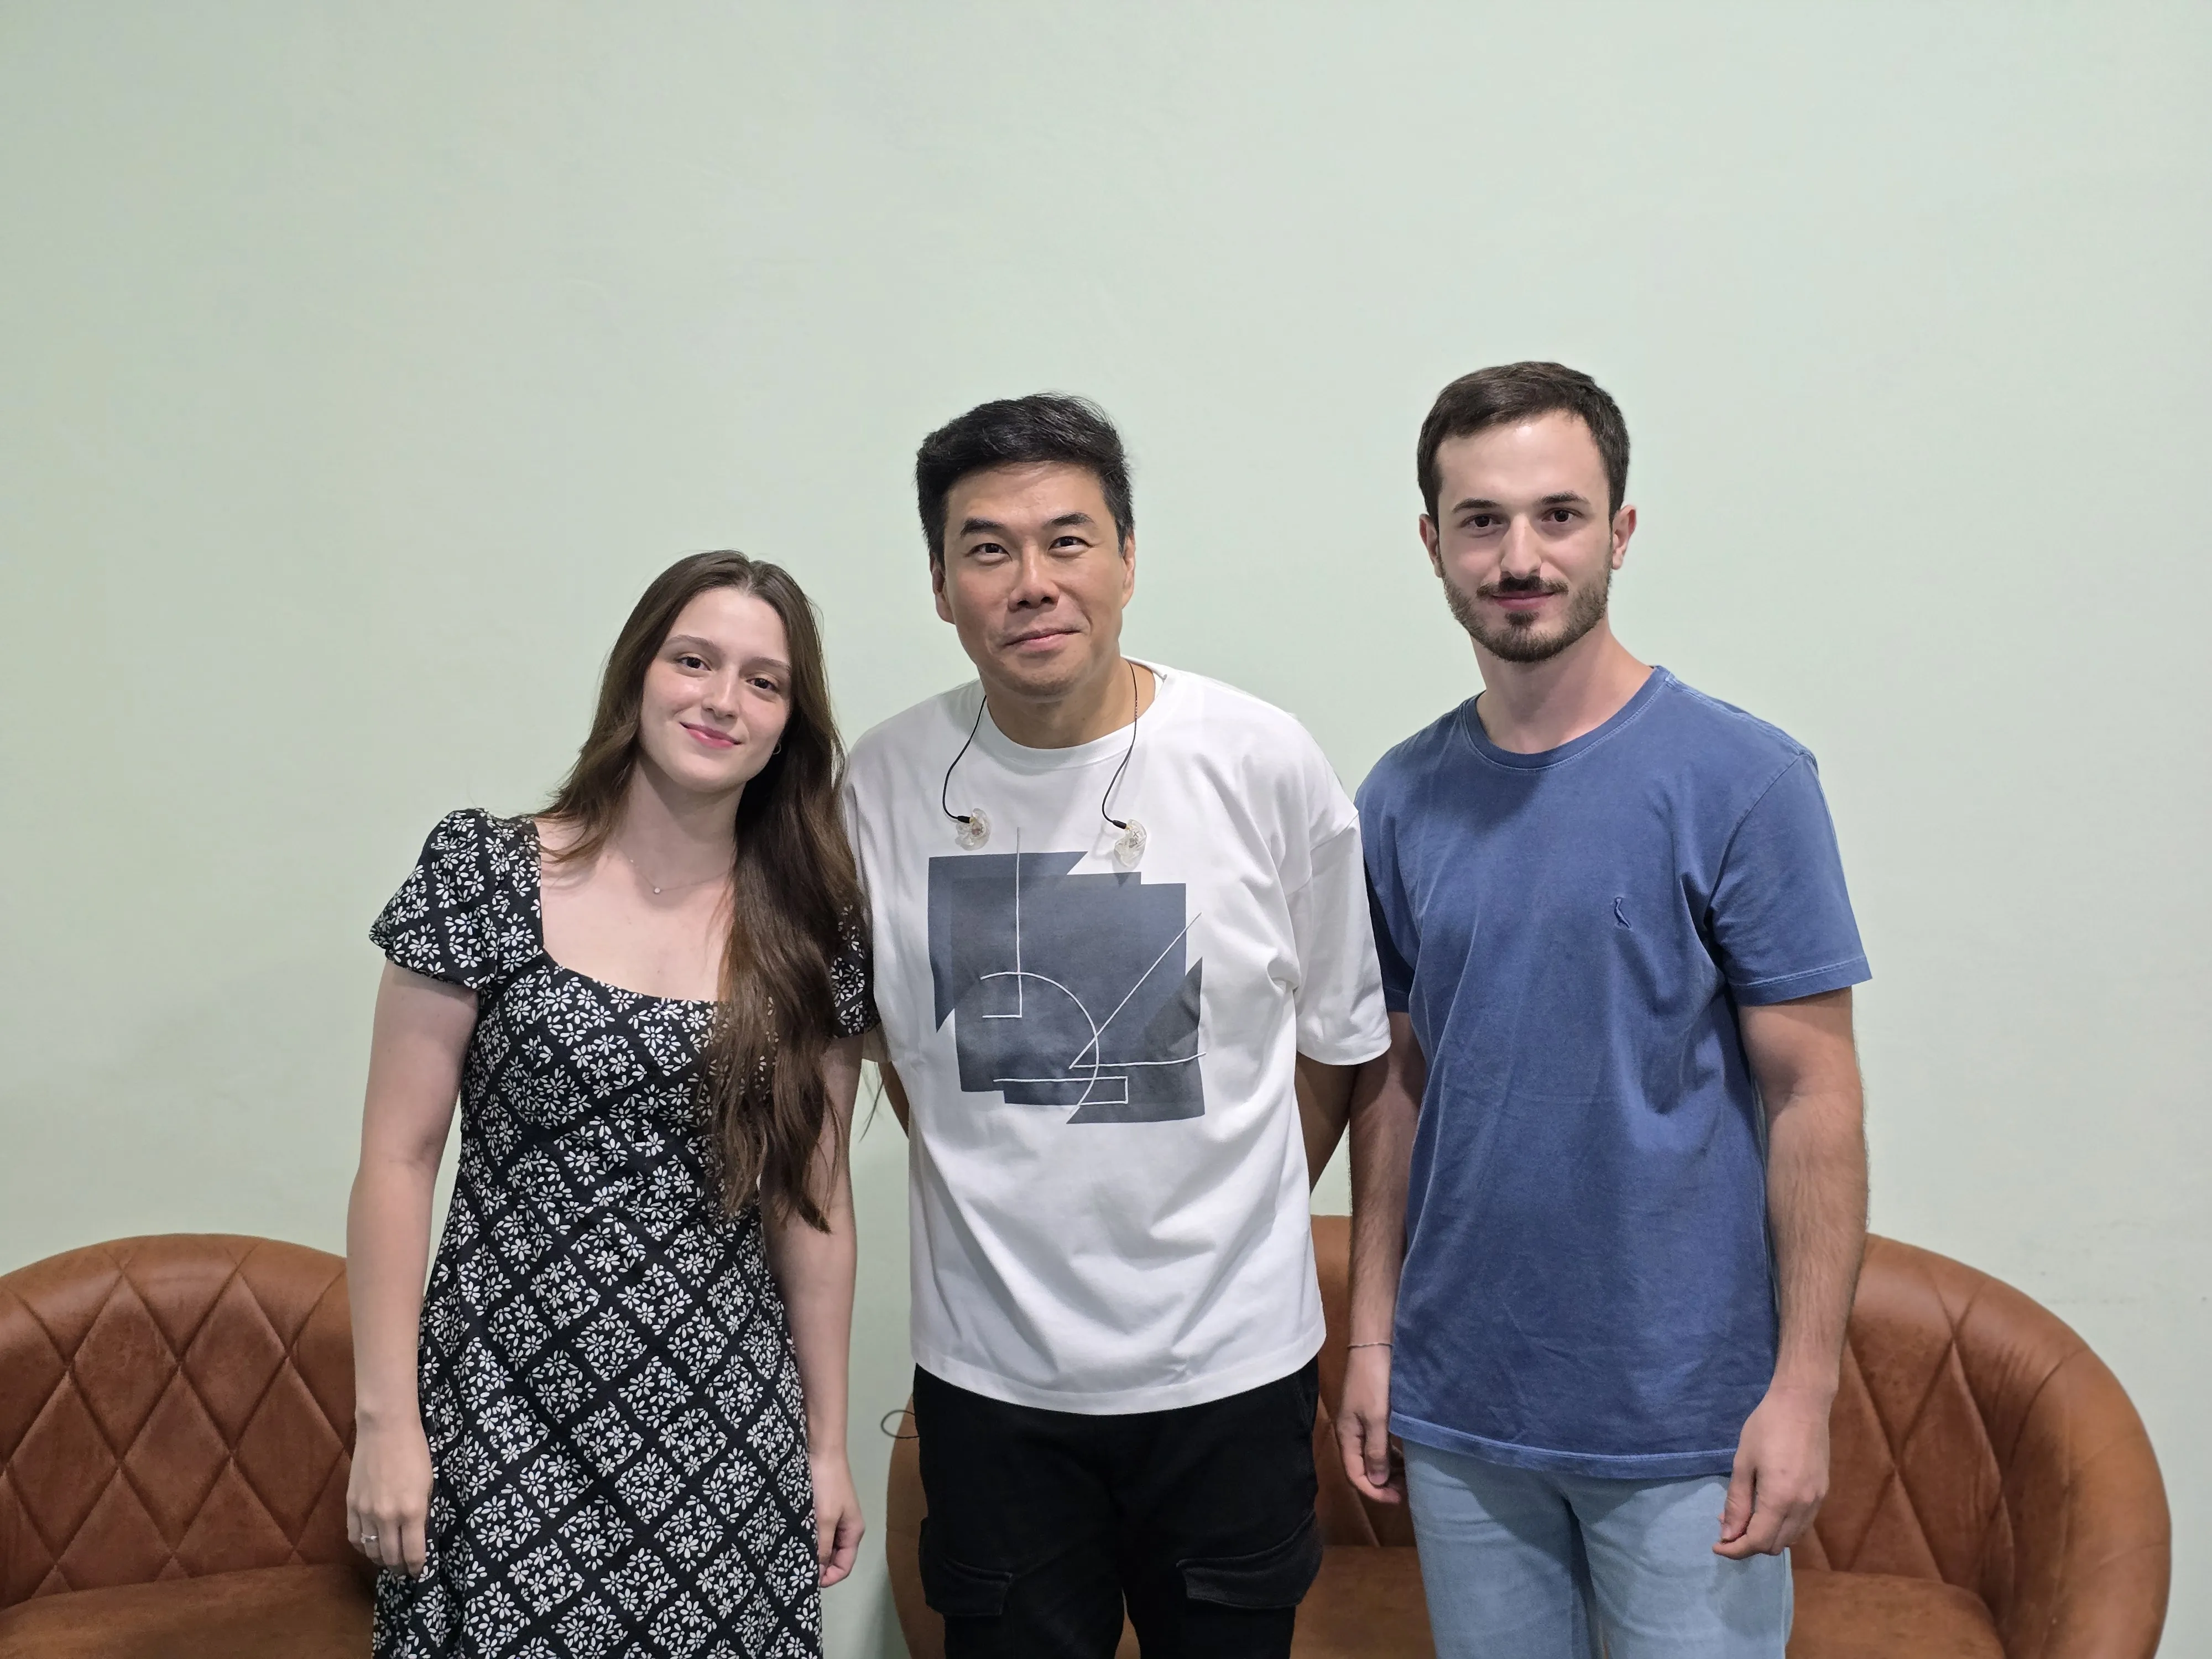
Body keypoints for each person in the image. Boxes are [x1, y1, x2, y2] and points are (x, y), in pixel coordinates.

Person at [843, 394, 1390, 1659]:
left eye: (1068, 540)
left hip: (1229, 1374)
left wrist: (1234, 1202)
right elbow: (908, 1059)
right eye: (987, 549)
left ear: (1129, 560)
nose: (1031, 582)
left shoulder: (1259, 761)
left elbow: (1337, 1042)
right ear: (940, 586)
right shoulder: (879, 783)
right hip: (991, 1387)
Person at [1342, 363, 1871, 1657]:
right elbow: (1395, 1083)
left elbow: (1813, 1095)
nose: (1519, 557)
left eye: (1558, 516)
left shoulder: (1743, 780)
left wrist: (1803, 1390)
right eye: (1480, 521)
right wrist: (1370, 1341)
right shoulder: (1398, 798)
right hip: (1463, 1411)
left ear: (1618, 532)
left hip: (1686, 1420)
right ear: (1432, 544)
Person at [345, 551, 874, 1659]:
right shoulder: (483, 872)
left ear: (789, 724)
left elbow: (813, 1203)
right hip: (499, 1412)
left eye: (764, 682)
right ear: (638, 674)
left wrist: (825, 1447)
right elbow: (398, 1159)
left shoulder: (811, 930)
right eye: (694, 661)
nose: (722, 700)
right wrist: (387, 1422)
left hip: (724, 1435)